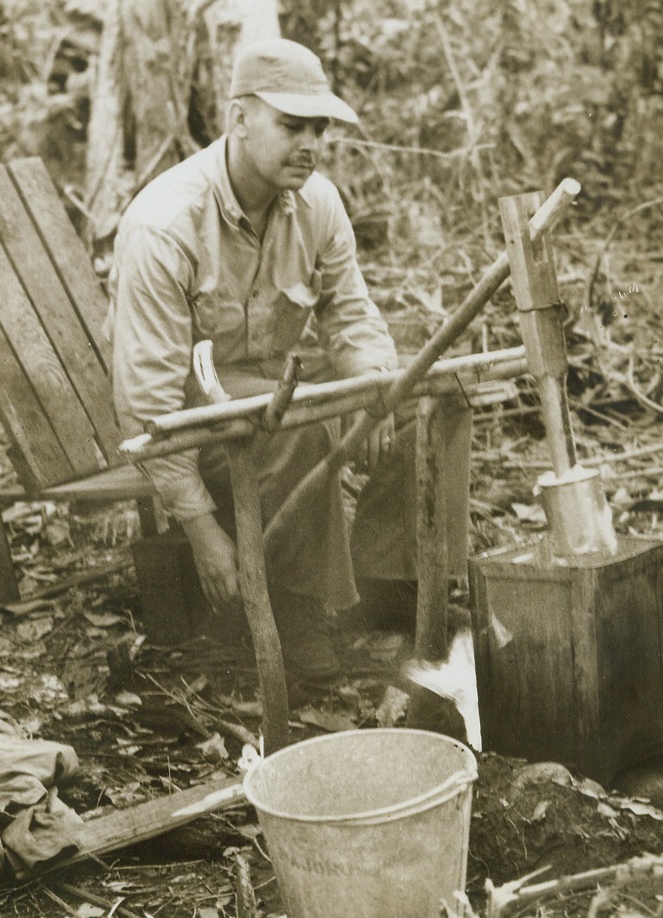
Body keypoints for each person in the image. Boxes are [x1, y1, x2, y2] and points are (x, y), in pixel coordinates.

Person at [110, 38, 471, 680]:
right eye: (290, 124)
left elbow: (352, 315)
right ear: (239, 119)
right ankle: (299, 617)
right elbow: (148, 405)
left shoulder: (318, 203)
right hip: (198, 411)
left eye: (318, 128)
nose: (308, 143)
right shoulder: (165, 224)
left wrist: (374, 386)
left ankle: (391, 589)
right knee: (294, 430)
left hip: (277, 388)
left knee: (430, 400)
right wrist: (202, 532)